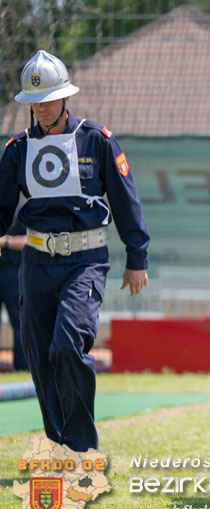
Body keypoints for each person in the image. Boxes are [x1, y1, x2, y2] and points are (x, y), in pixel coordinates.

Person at [0, 50, 150, 452]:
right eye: (35, 101)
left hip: (85, 262)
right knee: (38, 357)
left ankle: (82, 447)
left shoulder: (97, 140)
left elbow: (125, 201)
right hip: (35, 265)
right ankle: (61, 444)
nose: (43, 108)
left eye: (49, 98)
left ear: (65, 97)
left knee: (68, 346)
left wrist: (137, 258)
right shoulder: (16, 149)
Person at [0, 219, 28, 371]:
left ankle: (23, 364)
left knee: (19, 322)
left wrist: (5, 241)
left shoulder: (18, 212)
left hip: (13, 272)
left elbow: (31, 240)